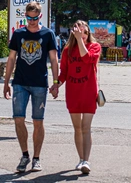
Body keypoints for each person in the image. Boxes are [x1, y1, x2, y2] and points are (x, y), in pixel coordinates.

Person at [4, 1, 59, 173]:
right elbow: (11, 58)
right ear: (25, 16)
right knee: (18, 119)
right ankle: (25, 155)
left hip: (40, 83)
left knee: (38, 121)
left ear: (40, 16)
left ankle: (36, 158)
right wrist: (6, 82)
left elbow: (54, 59)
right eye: (29, 18)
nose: (32, 21)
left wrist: (56, 83)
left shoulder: (48, 34)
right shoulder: (19, 34)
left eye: (35, 18)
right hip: (20, 82)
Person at [50, 20, 101, 175]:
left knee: (86, 127)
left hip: (89, 92)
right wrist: (56, 85)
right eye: (79, 32)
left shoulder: (95, 46)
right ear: (73, 32)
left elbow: (87, 58)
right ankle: (81, 159)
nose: (82, 35)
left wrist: (80, 41)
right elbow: (64, 72)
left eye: (85, 32)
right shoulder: (67, 50)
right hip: (73, 93)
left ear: (88, 33)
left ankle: (86, 161)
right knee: (77, 128)